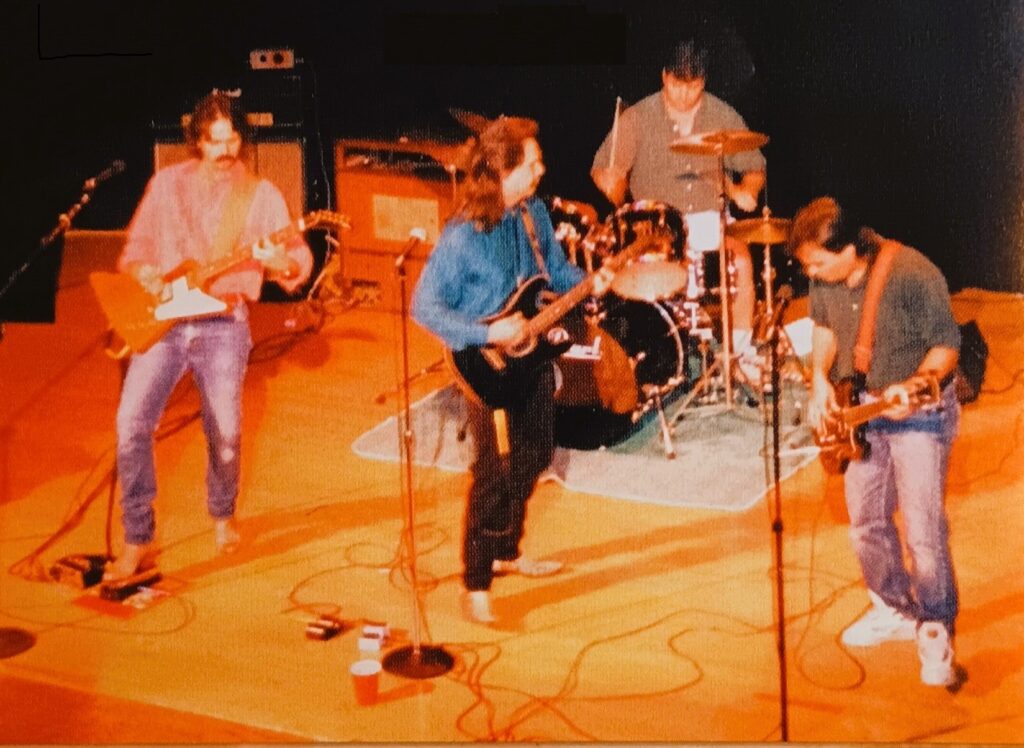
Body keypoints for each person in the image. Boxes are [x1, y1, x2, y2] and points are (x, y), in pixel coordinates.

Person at [106, 91, 314, 581]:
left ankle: (222, 512)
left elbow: (299, 260)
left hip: (224, 322)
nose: (225, 151)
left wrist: (281, 263)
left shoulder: (260, 194)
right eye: (215, 141)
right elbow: (136, 250)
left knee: (226, 432)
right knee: (130, 424)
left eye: (232, 139)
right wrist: (144, 272)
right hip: (165, 321)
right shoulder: (166, 185)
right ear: (196, 141)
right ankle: (137, 537)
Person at [412, 116, 611, 624]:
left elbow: (556, 274)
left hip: (531, 352)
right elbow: (424, 307)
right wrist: (488, 334)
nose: (542, 169)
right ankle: (476, 582)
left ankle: (504, 548)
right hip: (481, 363)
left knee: (537, 451)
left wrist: (592, 280)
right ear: (503, 171)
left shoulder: (533, 213)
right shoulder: (462, 236)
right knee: (492, 471)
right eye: (533, 163)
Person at [787, 196, 962, 687]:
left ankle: (935, 625)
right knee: (865, 521)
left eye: (818, 264)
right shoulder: (825, 279)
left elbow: (947, 345)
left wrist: (919, 383)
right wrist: (819, 380)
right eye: (808, 267)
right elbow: (825, 328)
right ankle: (893, 608)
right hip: (863, 410)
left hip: (918, 413)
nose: (812, 274)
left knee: (923, 531)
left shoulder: (912, 273)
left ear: (848, 249)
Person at [591, 38, 766, 375]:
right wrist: (611, 183)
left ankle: (740, 355)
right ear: (664, 76)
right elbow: (602, 169)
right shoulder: (638, 117)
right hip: (658, 231)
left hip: (709, 221)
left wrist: (746, 189)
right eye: (677, 85)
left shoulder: (721, 114)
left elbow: (755, 166)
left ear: (704, 81)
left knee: (742, 260)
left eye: (694, 86)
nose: (685, 95)